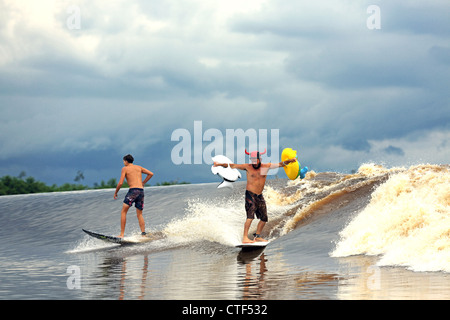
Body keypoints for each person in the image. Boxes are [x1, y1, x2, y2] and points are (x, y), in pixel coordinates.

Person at [214, 149, 297, 243]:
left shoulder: (266, 166)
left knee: (264, 218)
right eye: (252, 159)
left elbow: (280, 164)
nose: (253, 161)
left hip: (259, 196)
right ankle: (245, 238)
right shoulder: (247, 167)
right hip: (250, 194)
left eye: (255, 159)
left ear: (259, 159)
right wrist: (219, 164)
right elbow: (232, 165)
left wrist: (290, 160)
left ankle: (257, 237)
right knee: (250, 217)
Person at [114, 154, 154, 238]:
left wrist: (116, 192)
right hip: (141, 191)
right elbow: (151, 174)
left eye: (123, 161)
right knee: (139, 214)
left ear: (125, 161)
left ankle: (121, 234)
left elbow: (120, 183)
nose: (123, 162)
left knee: (123, 211)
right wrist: (143, 183)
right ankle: (143, 234)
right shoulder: (139, 167)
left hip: (133, 191)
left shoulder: (125, 168)